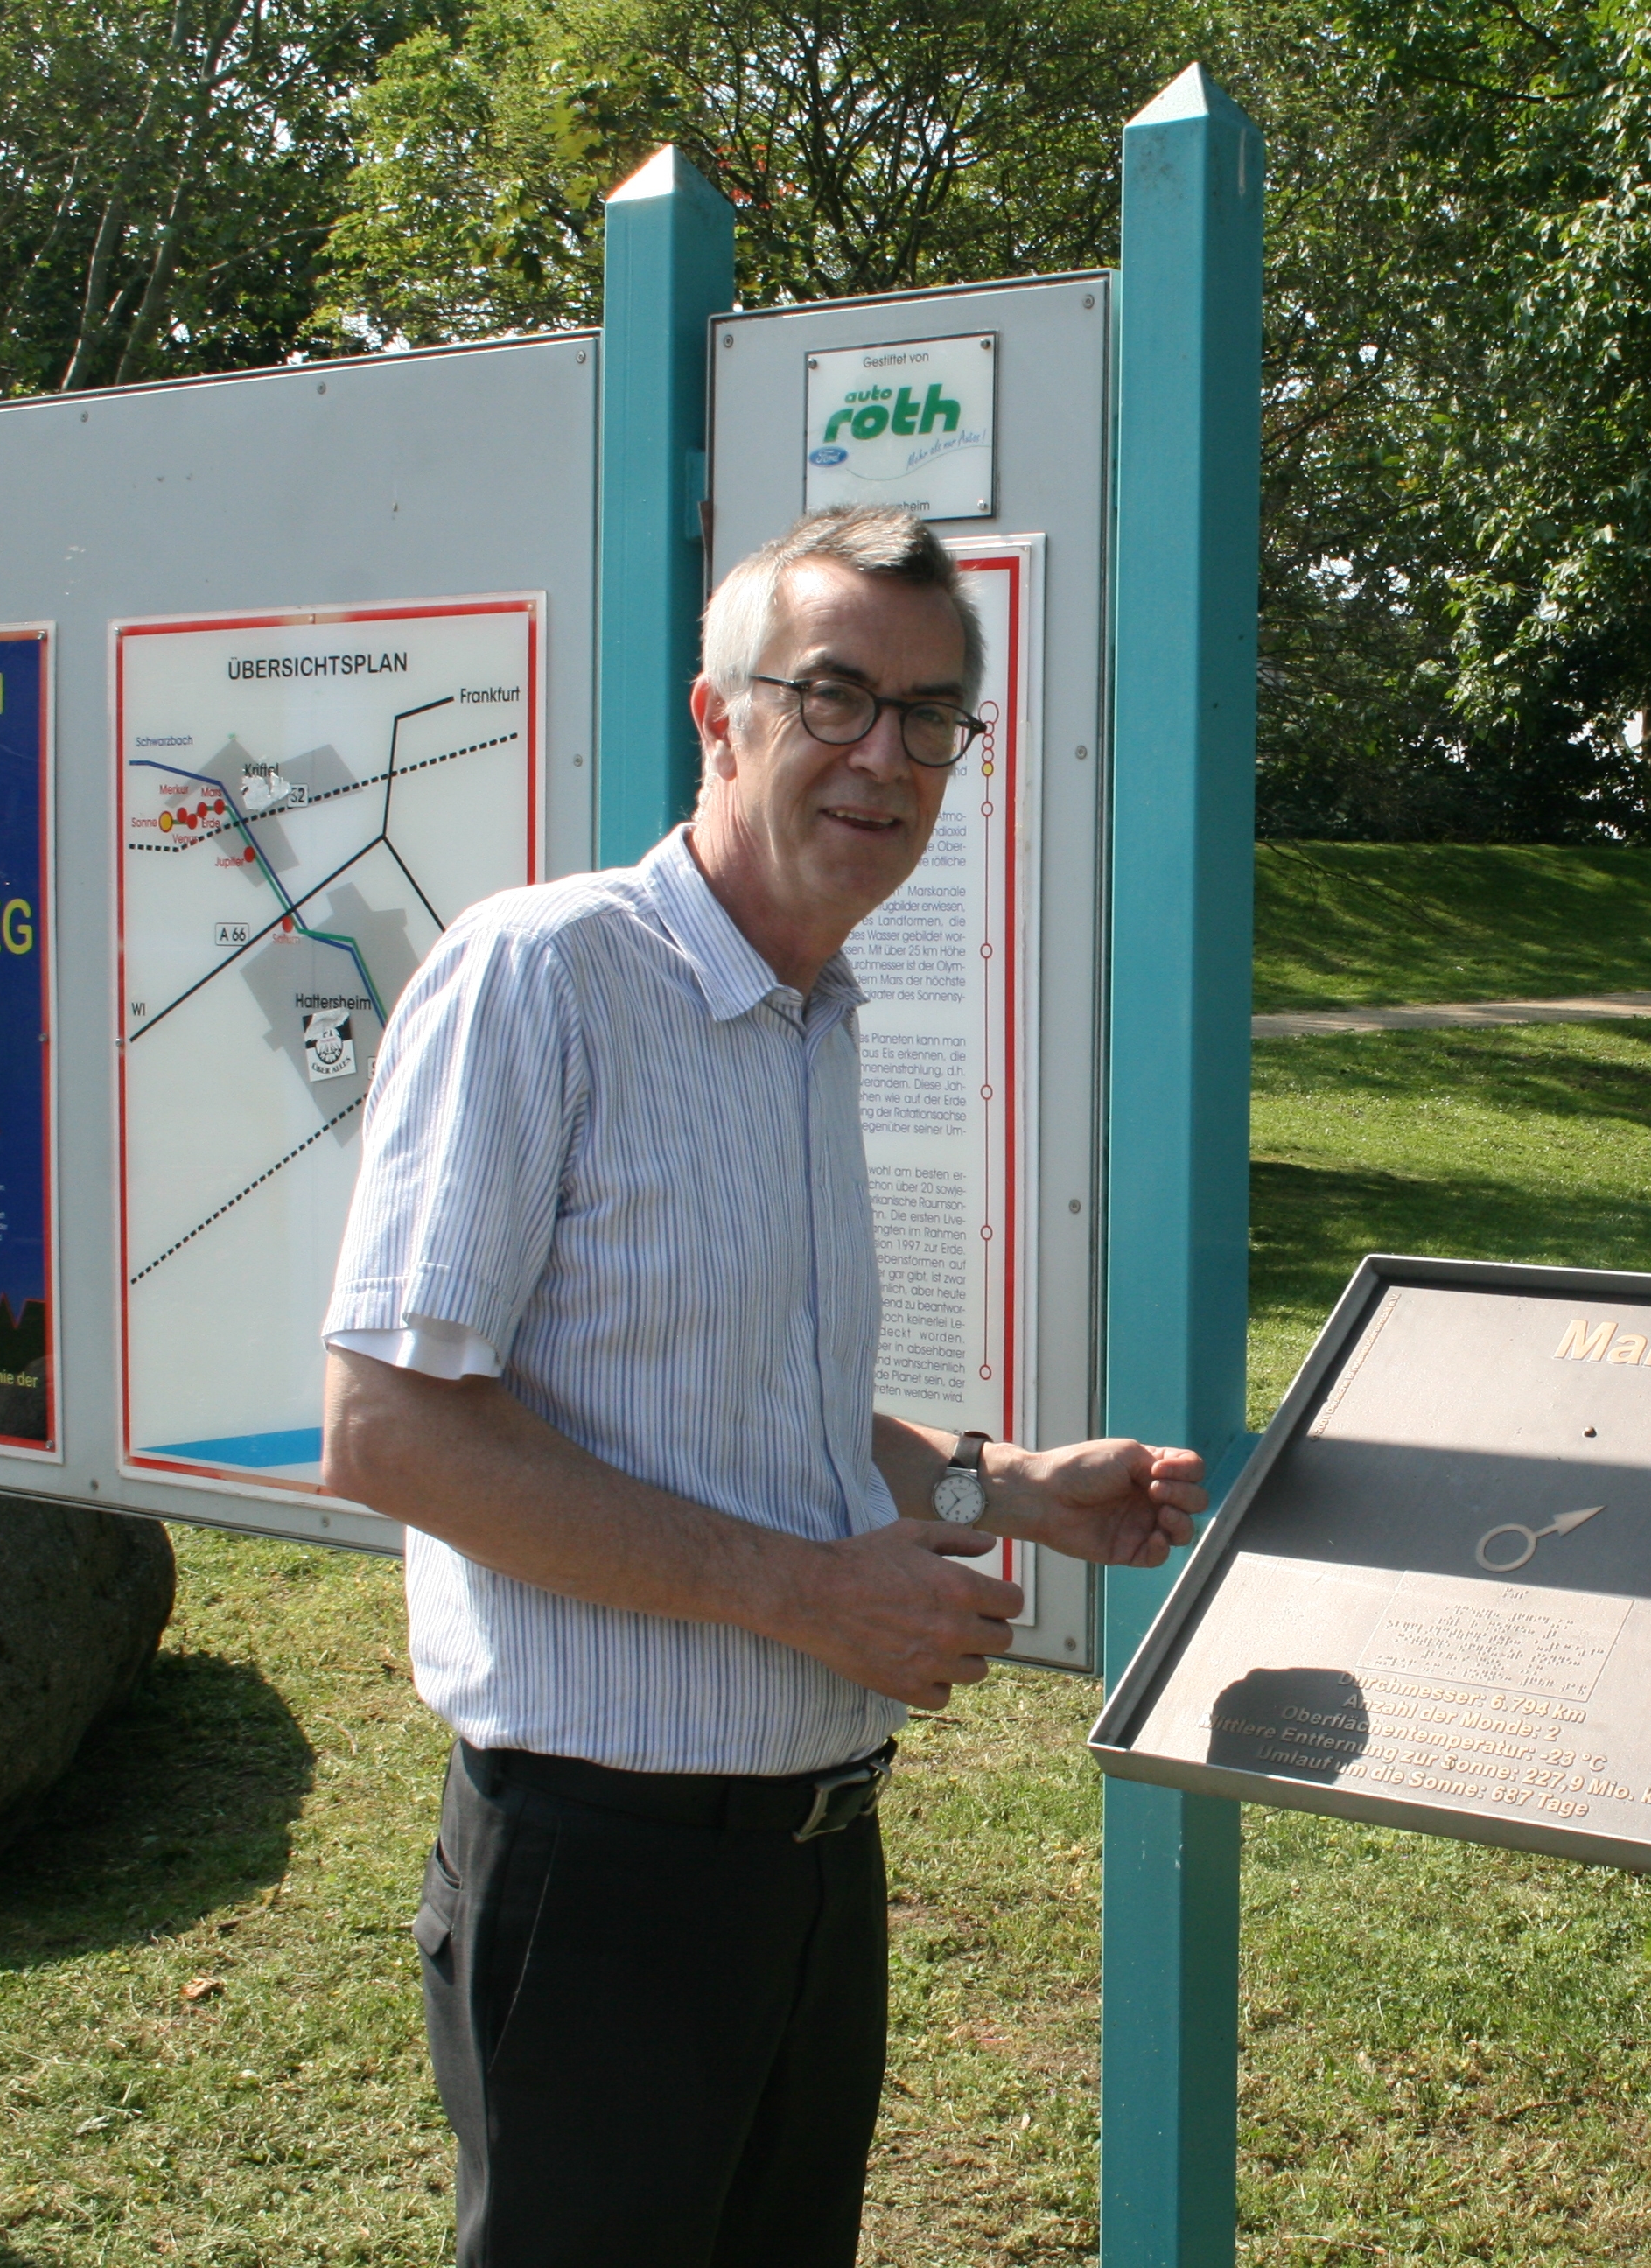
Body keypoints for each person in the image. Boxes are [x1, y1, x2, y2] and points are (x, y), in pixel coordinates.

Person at [318, 506, 1207, 2268]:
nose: (888, 754)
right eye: (836, 695)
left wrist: (1005, 1491)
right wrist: (802, 1593)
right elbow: (389, 1427)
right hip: (602, 1872)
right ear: (720, 721)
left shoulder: (814, 1011)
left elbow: (766, 1417)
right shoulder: (544, 979)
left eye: (933, 714)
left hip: (810, 1862)